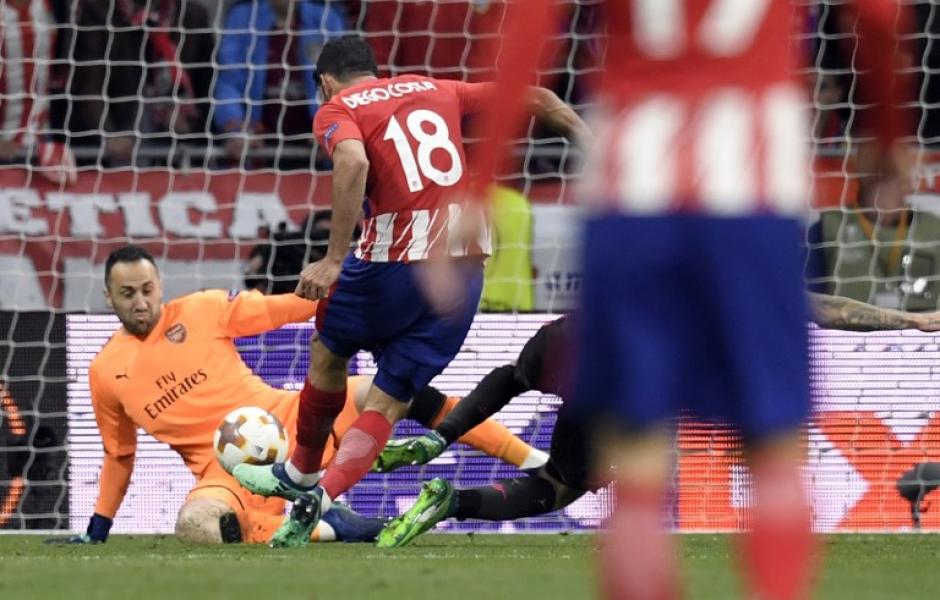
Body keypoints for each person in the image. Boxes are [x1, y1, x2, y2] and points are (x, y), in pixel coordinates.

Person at [454, 1, 913, 598]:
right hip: (751, 194)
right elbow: (877, 18)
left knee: (636, 454)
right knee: (774, 451)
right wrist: (889, 136)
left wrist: (482, 179)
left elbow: (529, 26)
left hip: (631, 197)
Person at [231, 35, 589, 548]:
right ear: (376, 70)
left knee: (328, 356)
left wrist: (334, 259)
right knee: (391, 401)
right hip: (464, 268)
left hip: (394, 260)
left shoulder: (337, 106)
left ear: (326, 80)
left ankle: (301, 475)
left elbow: (352, 162)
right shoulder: (436, 87)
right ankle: (323, 496)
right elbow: (535, 97)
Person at [52, 245, 547, 545]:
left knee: (398, 392)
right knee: (196, 525)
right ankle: (338, 527)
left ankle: (530, 458)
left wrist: (357, 303)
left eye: (147, 289)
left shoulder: (201, 310)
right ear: (108, 297)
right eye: (127, 294)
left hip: (293, 421)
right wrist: (99, 526)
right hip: (223, 474)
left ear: (160, 285)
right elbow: (119, 456)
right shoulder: (105, 372)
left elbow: (289, 309)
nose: (141, 303)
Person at [374, 298, 940, 546]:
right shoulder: (736, 285)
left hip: (573, 337)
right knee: (563, 485)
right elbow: (831, 310)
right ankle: (450, 502)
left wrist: (441, 435)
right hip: (631, 377)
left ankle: (444, 483)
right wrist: (910, 321)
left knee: (551, 452)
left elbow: (508, 378)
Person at [212, 0, 347, 166]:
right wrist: (236, 130)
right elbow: (229, 81)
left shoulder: (327, 18)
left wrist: (331, 130)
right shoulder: (243, 17)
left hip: (315, 148)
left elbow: (342, 85)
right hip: (258, 144)